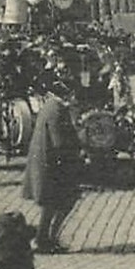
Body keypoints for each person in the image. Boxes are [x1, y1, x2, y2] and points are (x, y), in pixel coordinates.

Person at [21, 80, 81, 254]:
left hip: (47, 162)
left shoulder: (50, 106)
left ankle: (44, 238)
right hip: (53, 165)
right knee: (64, 201)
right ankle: (47, 239)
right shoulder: (57, 110)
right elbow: (59, 141)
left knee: (51, 203)